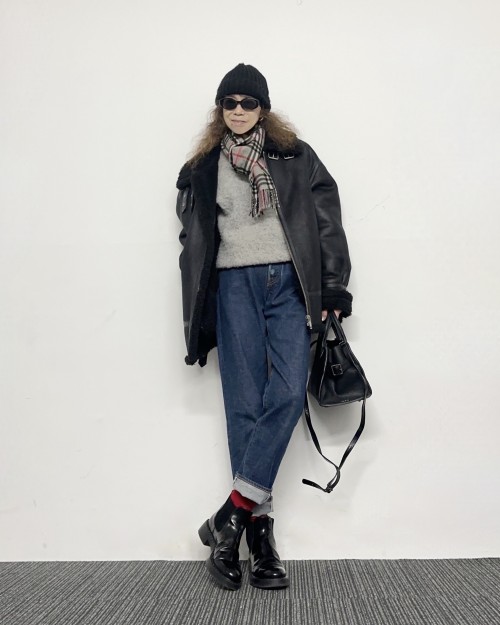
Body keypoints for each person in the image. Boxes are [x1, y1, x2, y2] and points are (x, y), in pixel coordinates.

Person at [175, 63, 352, 591]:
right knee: (244, 404)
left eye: (247, 102)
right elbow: (192, 237)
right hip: (233, 287)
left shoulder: (296, 157)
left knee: (288, 394)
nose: (237, 110)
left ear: (263, 109)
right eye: (228, 102)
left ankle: (231, 515)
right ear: (219, 109)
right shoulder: (202, 167)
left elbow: (327, 224)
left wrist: (333, 289)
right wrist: (200, 299)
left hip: (290, 284)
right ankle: (260, 537)